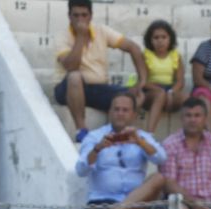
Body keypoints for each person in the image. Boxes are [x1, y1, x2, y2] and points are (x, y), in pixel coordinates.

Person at [76, 90, 165, 209]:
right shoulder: (95, 137)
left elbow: (161, 158)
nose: (120, 114)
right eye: (116, 109)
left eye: (125, 110)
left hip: (133, 201)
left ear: (134, 114)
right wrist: (97, 149)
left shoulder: (142, 136)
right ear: (110, 112)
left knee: (158, 178)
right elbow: (81, 170)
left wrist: (139, 141)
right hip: (101, 202)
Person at [54, 0, 145, 138]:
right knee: (74, 76)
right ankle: (81, 129)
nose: (80, 19)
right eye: (76, 15)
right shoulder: (61, 36)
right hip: (68, 89)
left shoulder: (101, 30)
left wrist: (142, 80)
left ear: (90, 16)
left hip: (97, 89)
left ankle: (121, 132)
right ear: (69, 16)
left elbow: (134, 48)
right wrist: (80, 37)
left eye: (84, 15)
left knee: (135, 95)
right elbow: (71, 66)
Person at [140, 19, 185, 134]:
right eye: (156, 38)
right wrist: (162, 92)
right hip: (151, 91)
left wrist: (170, 92)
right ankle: (149, 134)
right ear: (150, 40)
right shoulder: (146, 55)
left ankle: (190, 136)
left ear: (170, 39)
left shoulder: (175, 55)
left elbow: (180, 81)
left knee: (189, 98)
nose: (160, 41)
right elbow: (144, 81)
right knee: (160, 95)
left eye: (164, 37)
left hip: (170, 90)